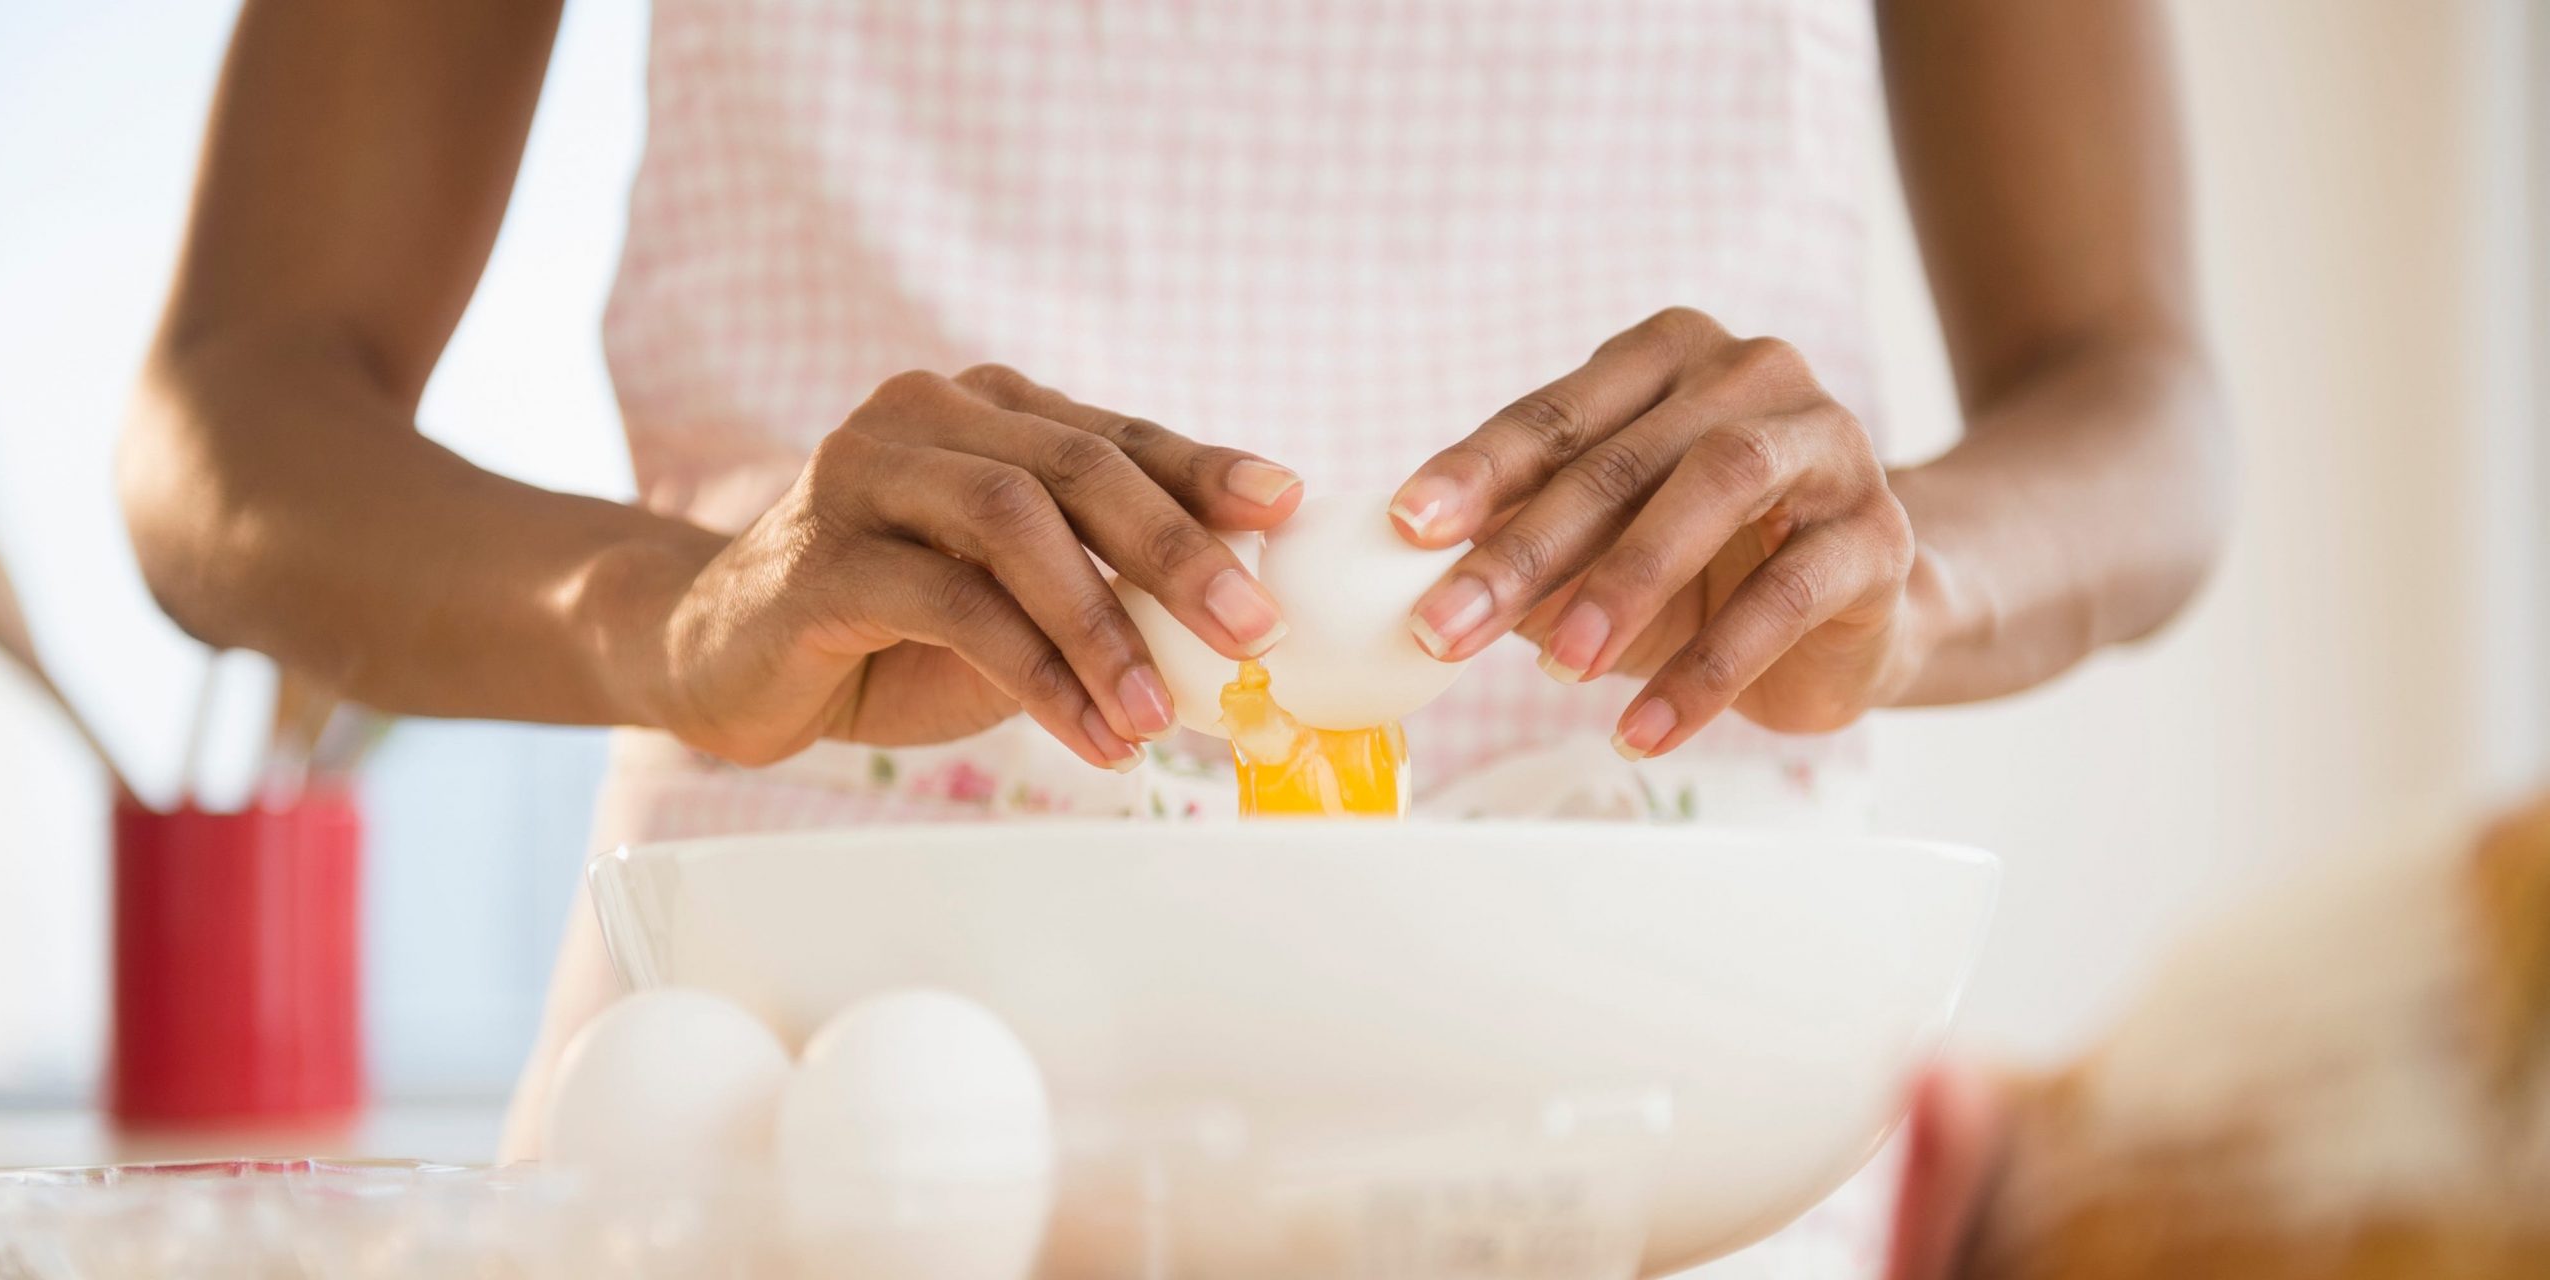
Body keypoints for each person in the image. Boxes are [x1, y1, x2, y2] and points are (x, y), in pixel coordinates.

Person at [119, 0, 2223, 1270]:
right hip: (806, 1118)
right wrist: (680, 608)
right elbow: (226, 422)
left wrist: (1901, 568)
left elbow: (2140, 402)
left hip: (1650, 1140)